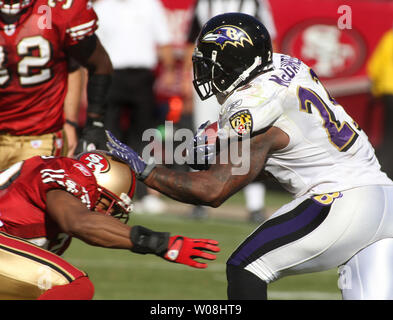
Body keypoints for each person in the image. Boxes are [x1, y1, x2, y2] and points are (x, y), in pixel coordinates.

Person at [105, 13, 393, 300]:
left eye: (212, 65)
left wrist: (142, 169)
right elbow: (281, 155)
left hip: (340, 202)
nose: (206, 73)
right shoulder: (285, 64)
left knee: (246, 267)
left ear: (234, 64)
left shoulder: (253, 106)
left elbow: (211, 190)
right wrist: (215, 145)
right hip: (383, 199)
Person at [0, 150, 219, 299]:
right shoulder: (74, 174)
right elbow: (79, 222)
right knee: (75, 286)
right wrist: (158, 242)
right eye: (109, 205)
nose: (108, 215)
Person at [184, 0, 278, 223]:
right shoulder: (204, 3)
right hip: (211, 77)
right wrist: (186, 79)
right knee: (205, 136)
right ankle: (199, 200)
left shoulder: (254, 3)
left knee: (249, 138)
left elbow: (269, 42)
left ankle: (255, 204)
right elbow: (192, 43)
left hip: (245, 80)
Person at [0, 0, 112, 171]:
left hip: (41, 135)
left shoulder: (59, 9)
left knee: (32, 195)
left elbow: (98, 64)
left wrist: (90, 123)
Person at [93, 0, 176, 214]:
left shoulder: (150, 5)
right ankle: (106, 188)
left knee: (143, 136)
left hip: (142, 77)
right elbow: (94, 47)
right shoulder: (103, 7)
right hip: (111, 75)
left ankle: (145, 194)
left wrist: (168, 71)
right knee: (109, 135)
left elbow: (164, 40)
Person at [367, 28, 393, 179]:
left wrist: (376, 89)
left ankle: (382, 175)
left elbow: (376, 65)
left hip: (389, 91)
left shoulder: (390, 36)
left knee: (388, 137)